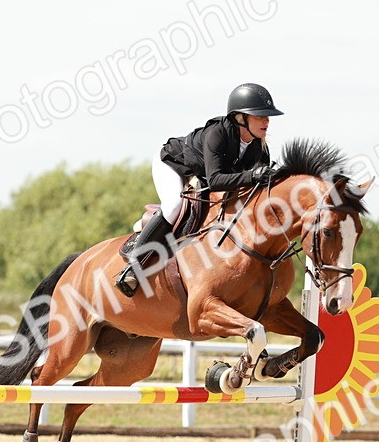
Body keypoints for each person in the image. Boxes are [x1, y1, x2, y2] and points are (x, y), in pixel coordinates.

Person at [114, 82, 284, 297]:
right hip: (173, 164)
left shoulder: (259, 148)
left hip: (202, 174)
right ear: (240, 118)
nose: (267, 121)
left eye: (268, 117)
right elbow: (216, 180)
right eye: (260, 116)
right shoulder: (218, 133)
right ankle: (132, 267)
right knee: (174, 205)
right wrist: (253, 175)